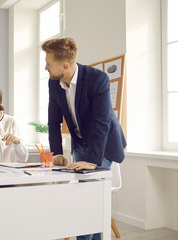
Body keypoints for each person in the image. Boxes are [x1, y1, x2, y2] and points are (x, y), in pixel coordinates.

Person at [42, 37, 127, 240]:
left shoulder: (97, 79)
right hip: (80, 142)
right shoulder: (54, 83)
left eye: (48, 63)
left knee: (87, 200)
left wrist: (91, 161)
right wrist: (57, 154)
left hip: (103, 143)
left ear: (65, 65)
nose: (45, 67)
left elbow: (101, 123)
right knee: (89, 200)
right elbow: (53, 121)